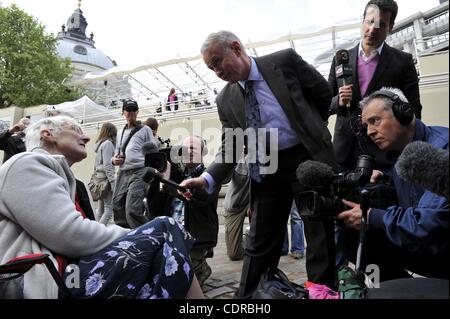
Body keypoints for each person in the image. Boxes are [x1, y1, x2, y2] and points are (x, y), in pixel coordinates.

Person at [180, 31, 337, 298]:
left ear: (236, 48)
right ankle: (248, 298)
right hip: (267, 167)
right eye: (211, 68)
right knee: (260, 241)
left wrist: (310, 128)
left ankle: (323, 293)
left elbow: (323, 95)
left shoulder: (284, 62)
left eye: (218, 62)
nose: (217, 71)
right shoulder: (225, 100)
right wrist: (207, 178)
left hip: (307, 158)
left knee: (319, 233)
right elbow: (231, 145)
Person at [0, 115, 203, 299]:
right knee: (166, 227)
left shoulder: (75, 184)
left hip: (74, 272)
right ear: (48, 134)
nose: (87, 137)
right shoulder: (25, 164)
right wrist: (139, 234)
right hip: (50, 282)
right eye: (76, 129)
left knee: (161, 256)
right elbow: (73, 235)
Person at [337, 87, 448, 281]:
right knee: (352, 237)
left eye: (375, 121)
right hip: (426, 247)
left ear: (403, 113)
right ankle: (399, 291)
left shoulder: (442, 149)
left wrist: (372, 216)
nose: (370, 131)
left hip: (440, 247)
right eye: (366, 125)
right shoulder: (399, 156)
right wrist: (383, 183)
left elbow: (428, 225)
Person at [328, 0, 422, 172]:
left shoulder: (403, 62)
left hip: (385, 154)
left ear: (391, 27)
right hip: (344, 151)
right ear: (363, 20)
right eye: (369, 22)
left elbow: (414, 109)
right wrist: (338, 101)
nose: (372, 30)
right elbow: (325, 103)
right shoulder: (341, 59)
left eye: (381, 25)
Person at [145, 135, 220, 288]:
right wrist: (158, 180)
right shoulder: (175, 176)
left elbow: (199, 196)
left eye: (193, 147)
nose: (189, 151)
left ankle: (201, 267)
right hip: (171, 234)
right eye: (185, 148)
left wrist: (166, 184)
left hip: (195, 238)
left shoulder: (209, 177)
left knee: (180, 283)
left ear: (203, 152)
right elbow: (154, 209)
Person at [111, 99, 156, 229]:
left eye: (133, 110)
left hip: (139, 171)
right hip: (123, 172)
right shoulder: (120, 132)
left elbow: (153, 151)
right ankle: (126, 236)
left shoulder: (145, 129)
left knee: (132, 209)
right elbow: (116, 153)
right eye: (128, 110)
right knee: (117, 205)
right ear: (123, 112)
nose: (131, 113)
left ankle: (150, 235)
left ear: (137, 112)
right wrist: (114, 160)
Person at [222, 161, 250, 261]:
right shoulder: (238, 157)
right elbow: (224, 179)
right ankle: (247, 237)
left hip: (252, 203)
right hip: (235, 207)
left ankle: (255, 239)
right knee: (234, 254)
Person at [93, 122, 117, 225]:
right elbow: (108, 164)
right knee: (109, 209)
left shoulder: (100, 144)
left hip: (98, 179)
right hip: (105, 180)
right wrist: (112, 182)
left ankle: (95, 230)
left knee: (100, 208)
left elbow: (96, 165)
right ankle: (99, 232)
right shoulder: (108, 144)